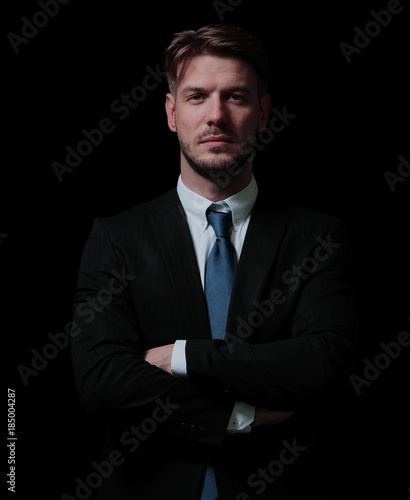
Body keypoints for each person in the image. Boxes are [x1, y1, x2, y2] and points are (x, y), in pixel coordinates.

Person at [71, 23, 358, 500]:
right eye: (197, 96)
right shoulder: (117, 237)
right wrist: (236, 415)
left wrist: (181, 355)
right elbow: (101, 382)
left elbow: (323, 365)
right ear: (171, 112)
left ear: (264, 111)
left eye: (237, 98)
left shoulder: (317, 238)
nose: (216, 116)